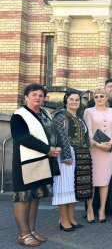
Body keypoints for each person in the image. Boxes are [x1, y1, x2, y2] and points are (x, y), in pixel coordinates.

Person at [10, 84, 61, 247]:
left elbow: (52, 132)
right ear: (26, 97)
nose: (38, 97)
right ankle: (23, 234)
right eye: (34, 94)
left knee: (35, 196)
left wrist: (56, 146)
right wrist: (48, 149)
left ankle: (31, 231)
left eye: (41, 95)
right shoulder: (19, 115)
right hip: (26, 163)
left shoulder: (45, 113)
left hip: (43, 161)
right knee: (23, 197)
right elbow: (22, 137)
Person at [52, 90, 93, 231]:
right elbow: (61, 137)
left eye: (77, 99)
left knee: (74, 187)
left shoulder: (79, 117)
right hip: (67, 155)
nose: (74, 102)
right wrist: (66, 156)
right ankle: (63, 220)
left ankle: (71, 217)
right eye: (71, 99)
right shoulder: (61, 116)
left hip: (80, 155)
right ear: (66, 101)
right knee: (64, 187)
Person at [83, 88, 112, 223]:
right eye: (97, 96)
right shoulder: (89, 111)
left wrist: (111, 142)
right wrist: (97, 144)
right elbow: (89, 130)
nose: (99, 98)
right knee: (92, 181)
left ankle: (102, 209)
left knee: (105, 181)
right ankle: (90, 209)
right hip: (95, 150)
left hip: (108, 150)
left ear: (106, 98)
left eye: (102, 96)